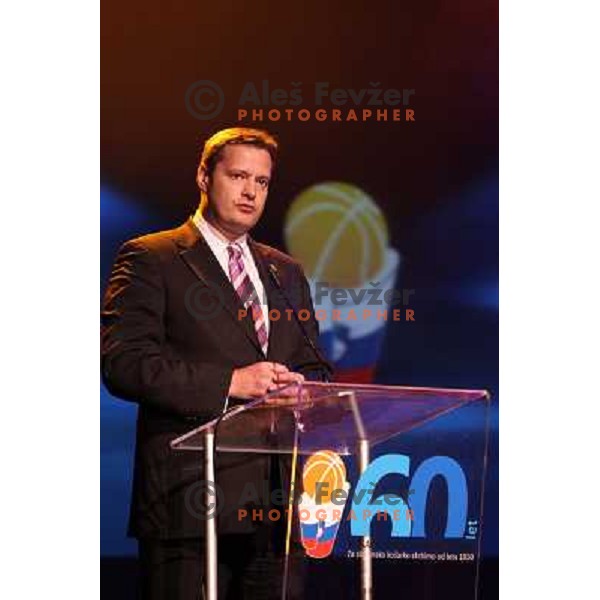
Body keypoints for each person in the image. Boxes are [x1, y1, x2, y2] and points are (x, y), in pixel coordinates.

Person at [101, 127, 331, 599]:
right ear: (204, 177)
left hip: (277, 511)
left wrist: (300, 388)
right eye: (238, 176)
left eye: (262, 182)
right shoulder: (152, 257)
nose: (250, 191)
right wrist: (231, 383)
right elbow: (124, 363)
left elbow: (315, 366)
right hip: (189, 503)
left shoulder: (284, 271)